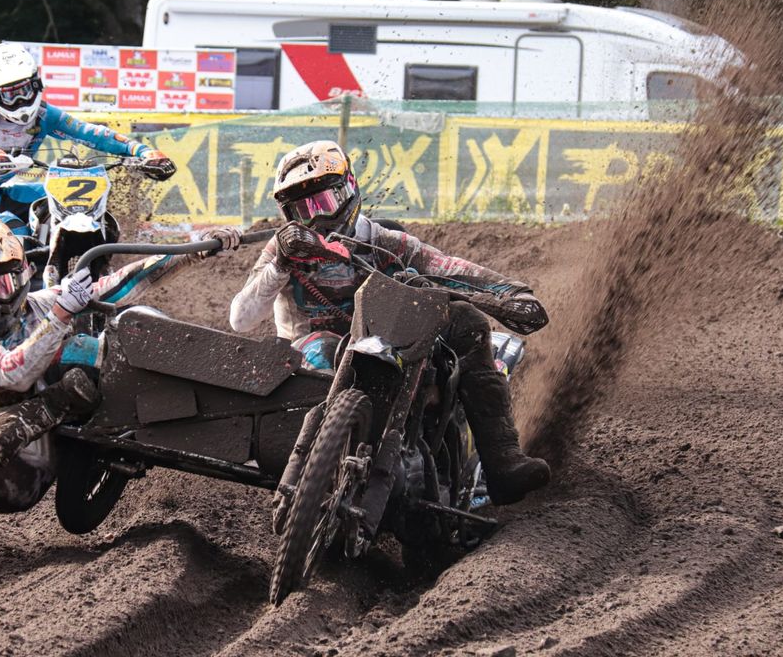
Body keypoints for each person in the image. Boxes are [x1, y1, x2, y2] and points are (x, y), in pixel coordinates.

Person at [228, 140, 551, 513]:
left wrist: (509, 291)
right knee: (319, 347)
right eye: (302, 209)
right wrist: (281, 264)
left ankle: (502, 461)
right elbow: (241, 318)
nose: (314, 218)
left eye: (324, 204)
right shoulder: (282, 249)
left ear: (348, 191)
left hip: (386, 348)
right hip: (311, 363)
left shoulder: (388, 243)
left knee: (468, 321)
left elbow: (446, 266)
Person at [0, 219, 242, 512]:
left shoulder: (37, 306)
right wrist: (61, 314)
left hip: (54, 445)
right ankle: (60, 403)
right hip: (8, 472)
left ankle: (184, 398)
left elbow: (112, 286)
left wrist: (192, 251)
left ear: (22, 276)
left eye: (1, 287)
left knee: (126, 321)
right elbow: (11, 372)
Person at [0, 42, 176, 232]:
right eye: (11, 95)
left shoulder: (44, 115)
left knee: (74, 204)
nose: (21, 101)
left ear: (37, 84)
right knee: (10, 229)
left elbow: (91, 133)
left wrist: (141, 151)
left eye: (26, 90)